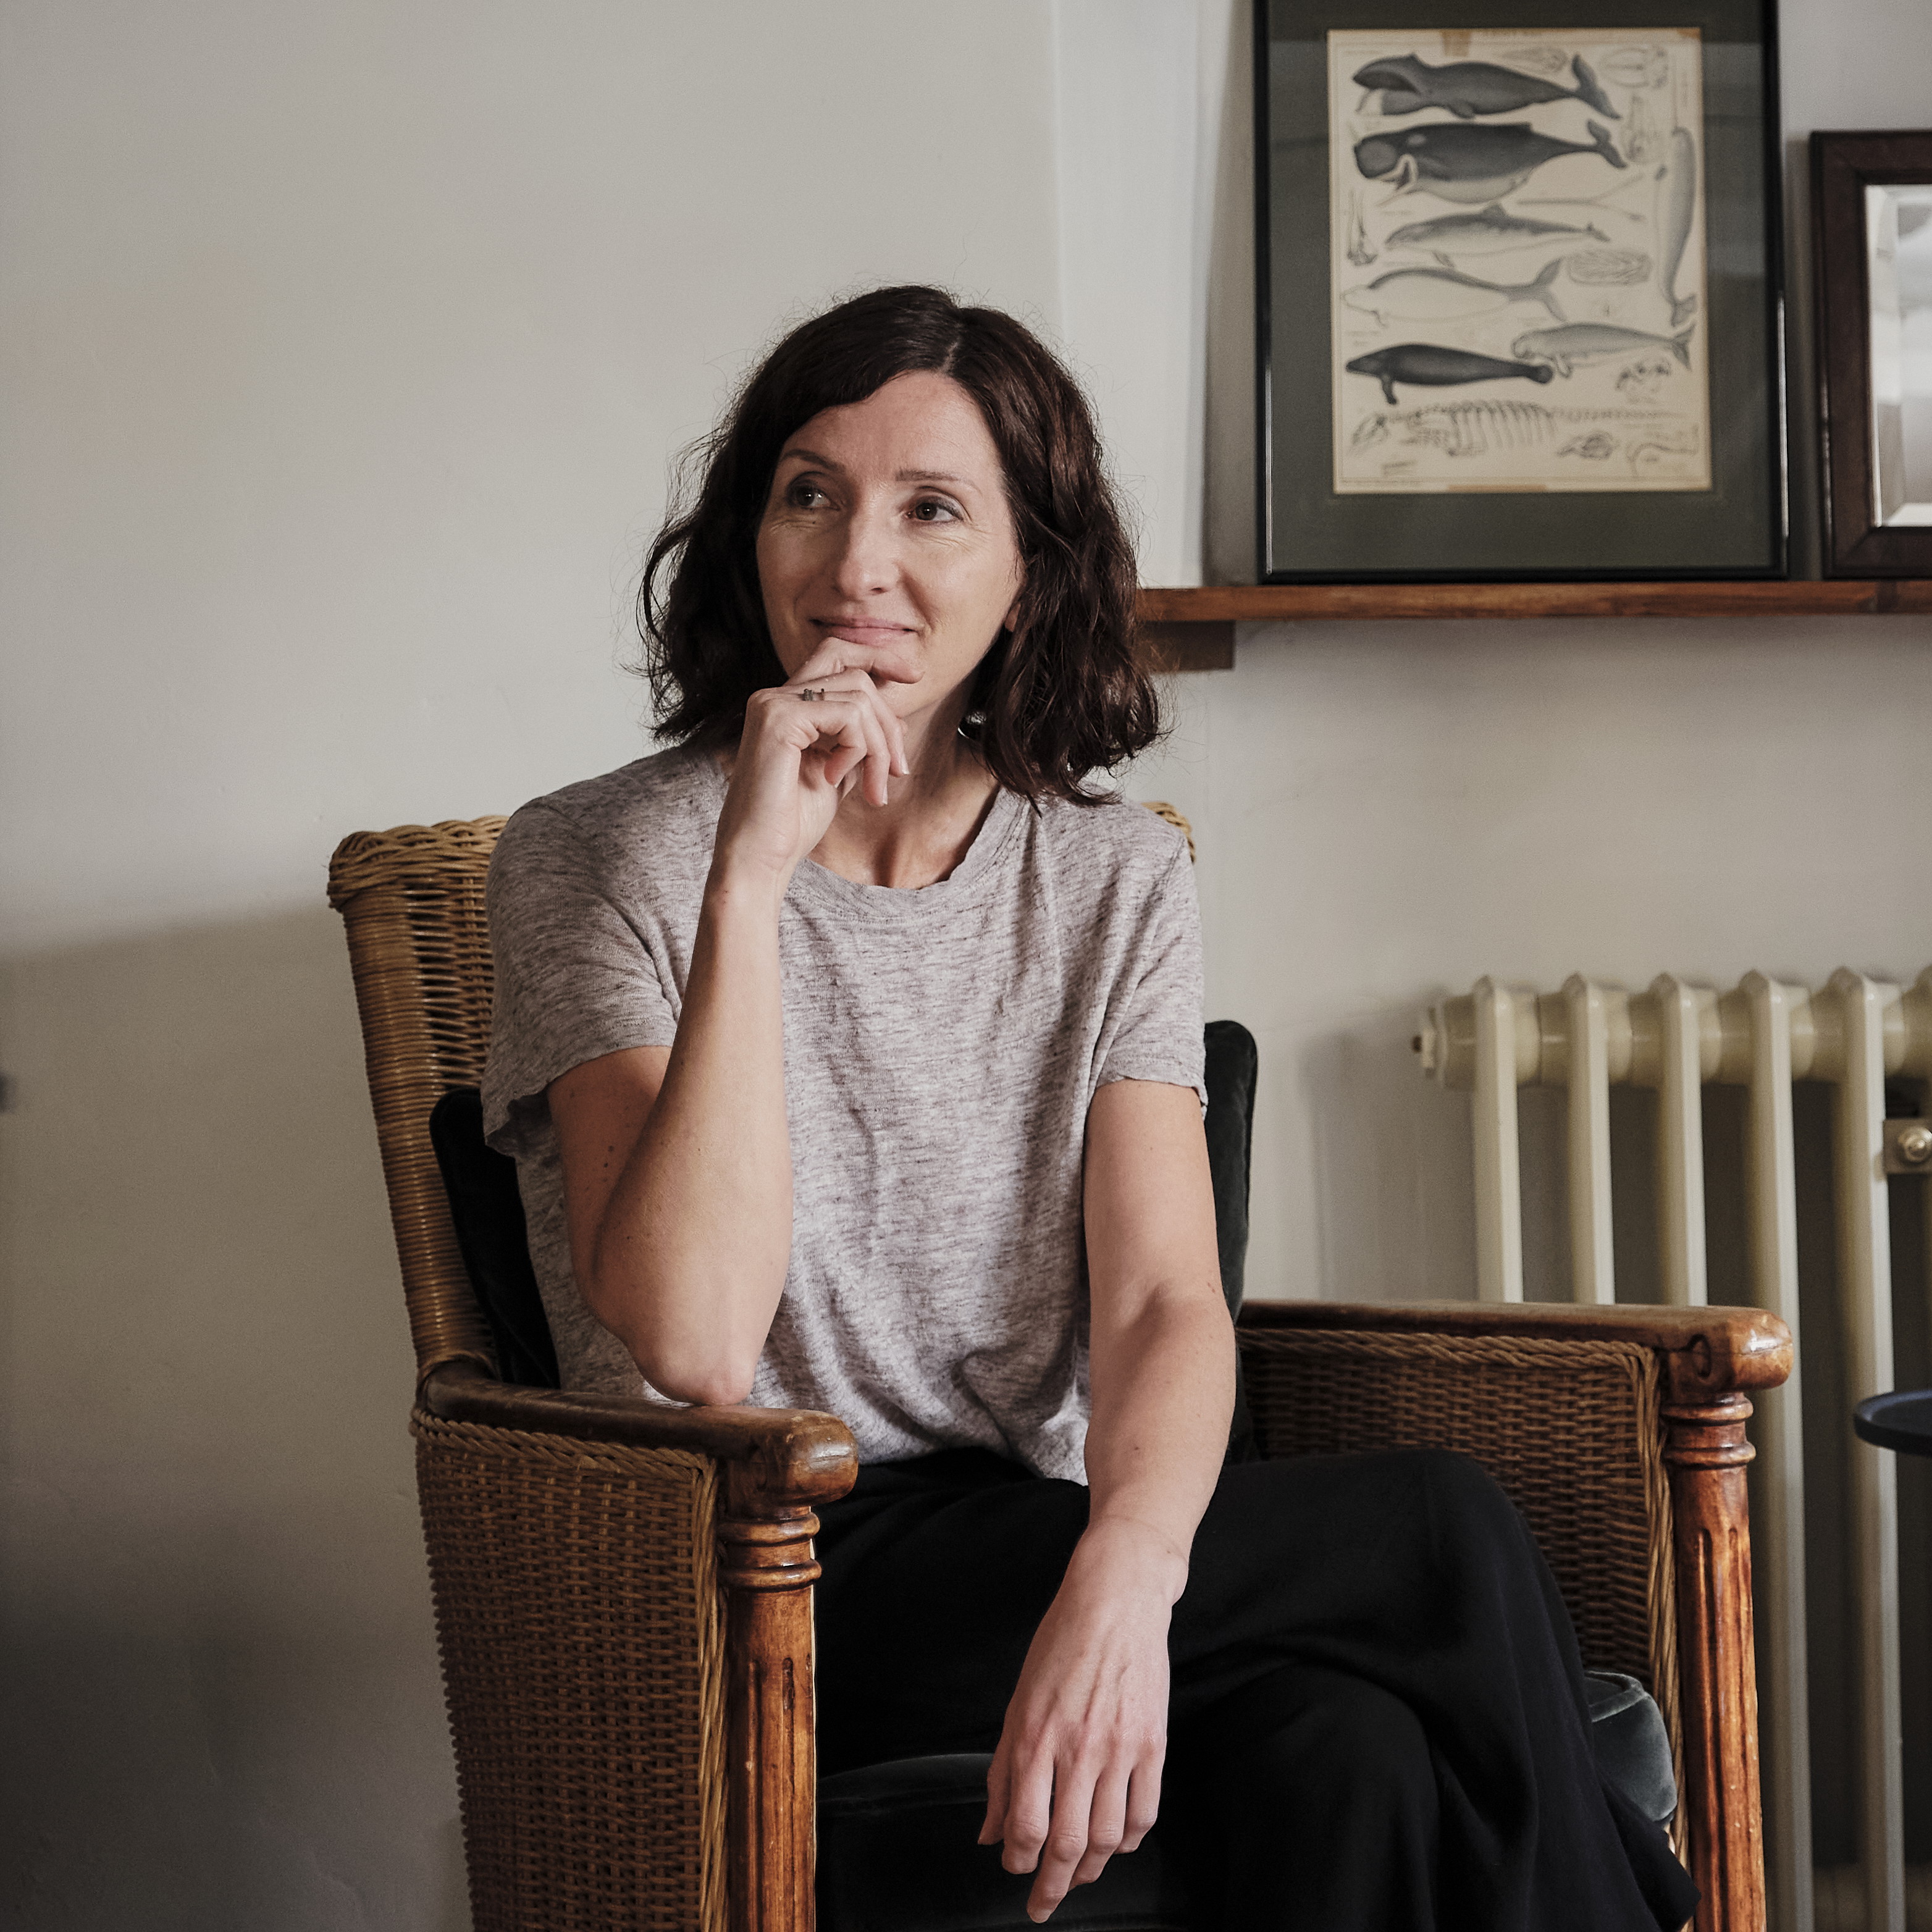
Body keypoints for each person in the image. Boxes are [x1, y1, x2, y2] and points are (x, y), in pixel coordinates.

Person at [480, 284, 1699, 1931]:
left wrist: (1126, 1581)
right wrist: (748, 888)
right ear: (747, 533)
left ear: (1028, 572)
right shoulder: (596, 855)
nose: (855, 568)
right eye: (810, 493)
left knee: (1358, 1750)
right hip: (744, 1561)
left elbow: (1161, 1301)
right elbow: (695, 1344)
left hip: (1029, 1541)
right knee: (1439, 1536)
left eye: (930, 510)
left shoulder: (1116, 873)